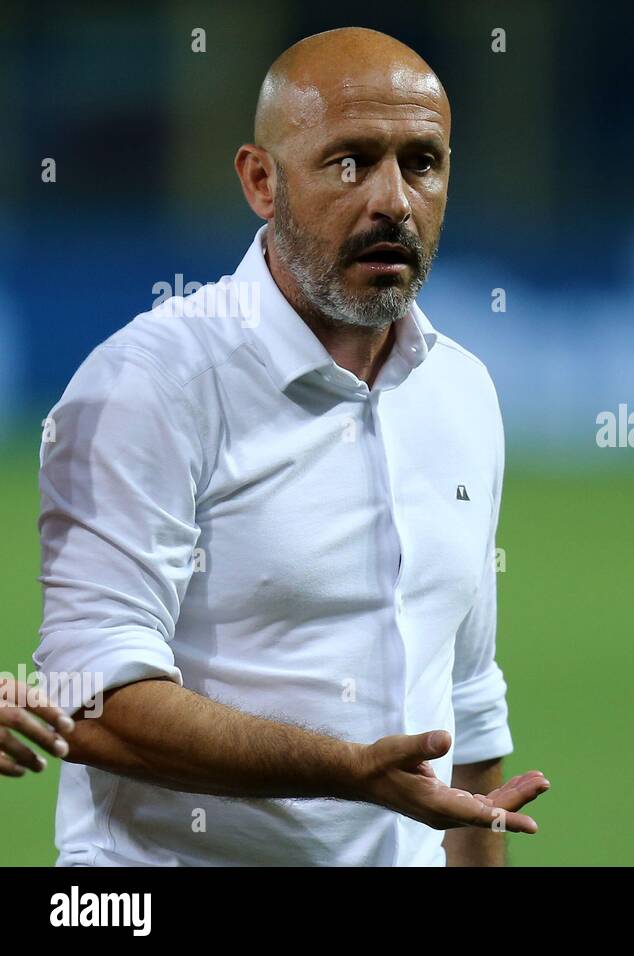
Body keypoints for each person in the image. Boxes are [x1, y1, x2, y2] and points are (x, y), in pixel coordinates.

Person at [34, 27, 547, 866]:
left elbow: (467, 704)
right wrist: (345, 771)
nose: (393, 200)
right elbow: (88, 700)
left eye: (422, 163)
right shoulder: (148, 387)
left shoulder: (462, 392)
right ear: (260, 181)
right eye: (350, 161)